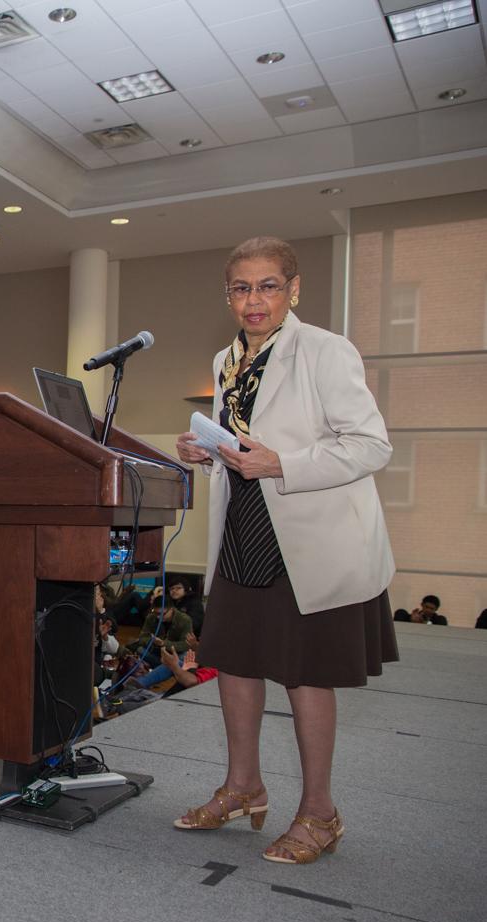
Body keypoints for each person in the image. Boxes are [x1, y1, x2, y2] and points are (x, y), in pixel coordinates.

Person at [173, 236, 397, 865]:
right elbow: (242, 445)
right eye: (241, 288)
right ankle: (243, 787)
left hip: (310, 535)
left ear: (293, 290)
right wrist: (205, 451)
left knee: (305, 674)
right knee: (237, 664)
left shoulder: (326, 350)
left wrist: (283, 462)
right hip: (244, 528)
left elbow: (371, 445)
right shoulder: (226, 359)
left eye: (268, 286)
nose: (254, 300)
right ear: (228, 295)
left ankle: (320, 813)